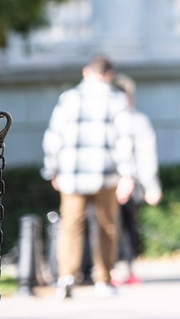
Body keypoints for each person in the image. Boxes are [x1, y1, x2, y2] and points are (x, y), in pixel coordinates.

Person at [41, 55, 135, 299]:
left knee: (71, 226)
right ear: (109, 75)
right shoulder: (117, 99)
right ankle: (103, 279)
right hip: (106, 173)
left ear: (86, 72)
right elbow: (124, 139)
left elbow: (54, 135)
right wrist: (127, 174)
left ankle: (66, 277)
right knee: (106, 226)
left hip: (72, 173)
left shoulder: (68, 98)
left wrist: (52, 168)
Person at [111, 74, 161, 285]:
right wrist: (151, 185)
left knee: (106, 226)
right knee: (128, 226)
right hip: (128, 182)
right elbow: (145, 155)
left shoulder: (102, 117)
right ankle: (125, 269)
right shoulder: (137, 120)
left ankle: (108, 270)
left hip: (102, 181)